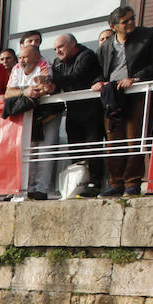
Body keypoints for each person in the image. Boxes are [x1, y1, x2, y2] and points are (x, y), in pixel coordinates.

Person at [93, 5, 153, 196]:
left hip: (137, 92)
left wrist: (137, 78)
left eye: (132, 18)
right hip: (113, 94)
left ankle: (132, 182)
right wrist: (98, 82)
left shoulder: (148, 35)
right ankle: (115, 183)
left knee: (135, 138)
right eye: (125, 21)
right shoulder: (107, 44)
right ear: (114, 26)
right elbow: (99, 70)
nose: (131, 23)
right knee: (113, 140)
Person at [51, 34, 104, 195]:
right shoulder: (57, 63)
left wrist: (52, 78)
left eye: (60, 47)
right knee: (74, 148)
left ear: (73, 44)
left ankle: (95, 183)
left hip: (91, 110)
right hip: (72, 111)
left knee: (92, 147)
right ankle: (78, 182)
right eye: (55, 49)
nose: (57, 52)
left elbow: (76, 77)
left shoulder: (86, 55)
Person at [5, 43, 60, 199]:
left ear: (36, 57)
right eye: (20, 57)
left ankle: (41, 188)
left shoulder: (44, 65)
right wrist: (25, 91)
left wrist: (37, 87)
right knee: (27, 151)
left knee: (44, 152)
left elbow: (44, 87)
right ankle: (26, 187)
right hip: (27, 115)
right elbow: (8, 92)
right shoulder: (16, 68)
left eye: (26, 57)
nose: (22, 60)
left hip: (47, 115)